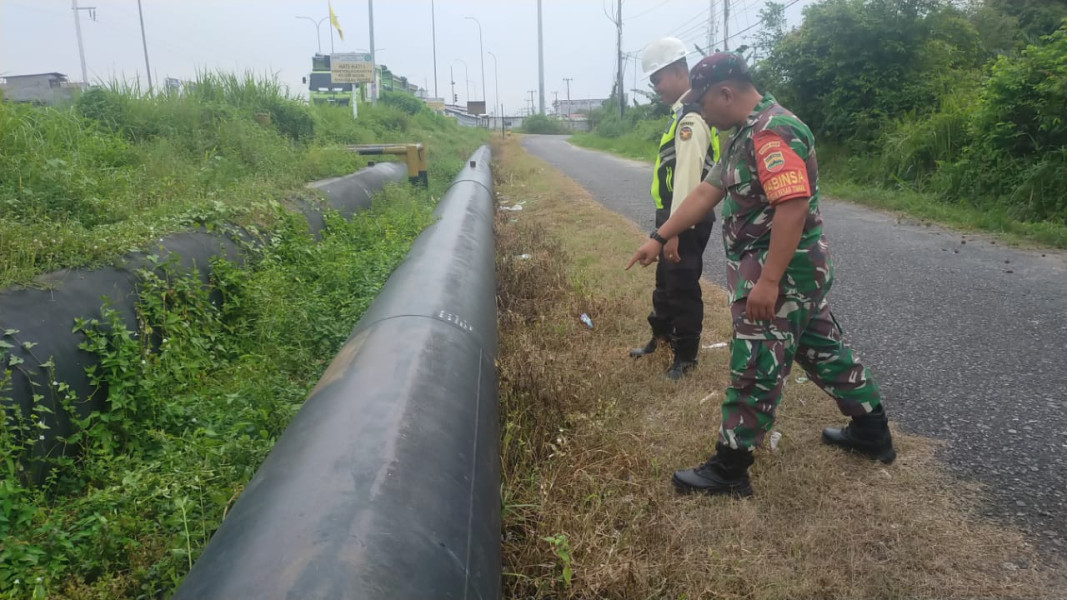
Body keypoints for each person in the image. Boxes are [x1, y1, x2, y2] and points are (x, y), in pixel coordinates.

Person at [627, 53, 896, 497]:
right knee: (822, 347)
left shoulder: (771, 132)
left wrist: (769, 281)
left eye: (706, 105)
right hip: (793, 273)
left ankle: (730, 467)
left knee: (754, 361)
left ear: (726, 93)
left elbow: (792, 205)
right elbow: (706, 191)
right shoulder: (743, 135)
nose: (704, 115)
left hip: (781, 273)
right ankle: (871, 429)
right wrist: (659, 236)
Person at [630, 37, 721, 380]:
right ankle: (662, 337)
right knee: (665, 281)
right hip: (673, 217)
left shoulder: (692, 119)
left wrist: (673, 233)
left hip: (686, 218)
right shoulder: (682, 114)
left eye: (657, 79)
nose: (655, 88)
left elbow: (687, 179)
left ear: (680, 72)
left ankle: (685, 356)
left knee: (682, 283)